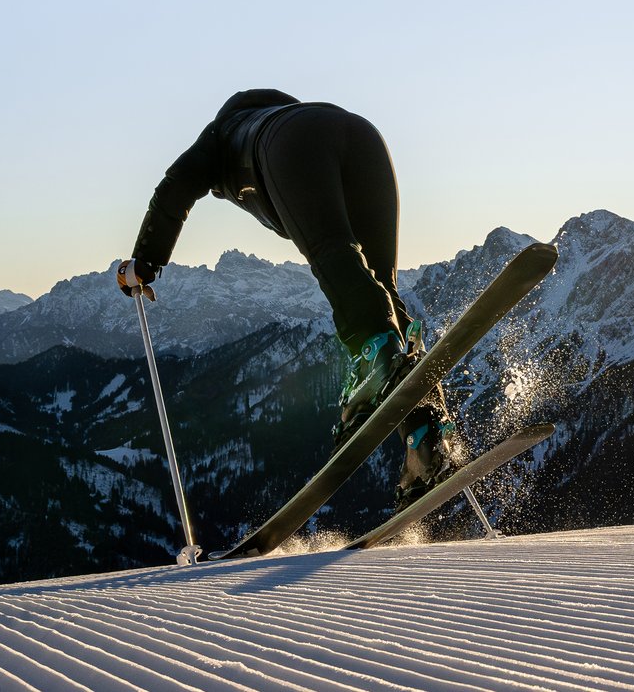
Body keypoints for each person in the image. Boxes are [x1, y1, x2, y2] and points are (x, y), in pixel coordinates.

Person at [114, 88, 457, 510]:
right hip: (367, 139)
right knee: (381, 282)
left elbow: (175, 186)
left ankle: (373, 353)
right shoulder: (281, 114)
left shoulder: (225, 133)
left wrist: (144, 261)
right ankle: (426, 439)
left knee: (331, 250)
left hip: (294, 146)